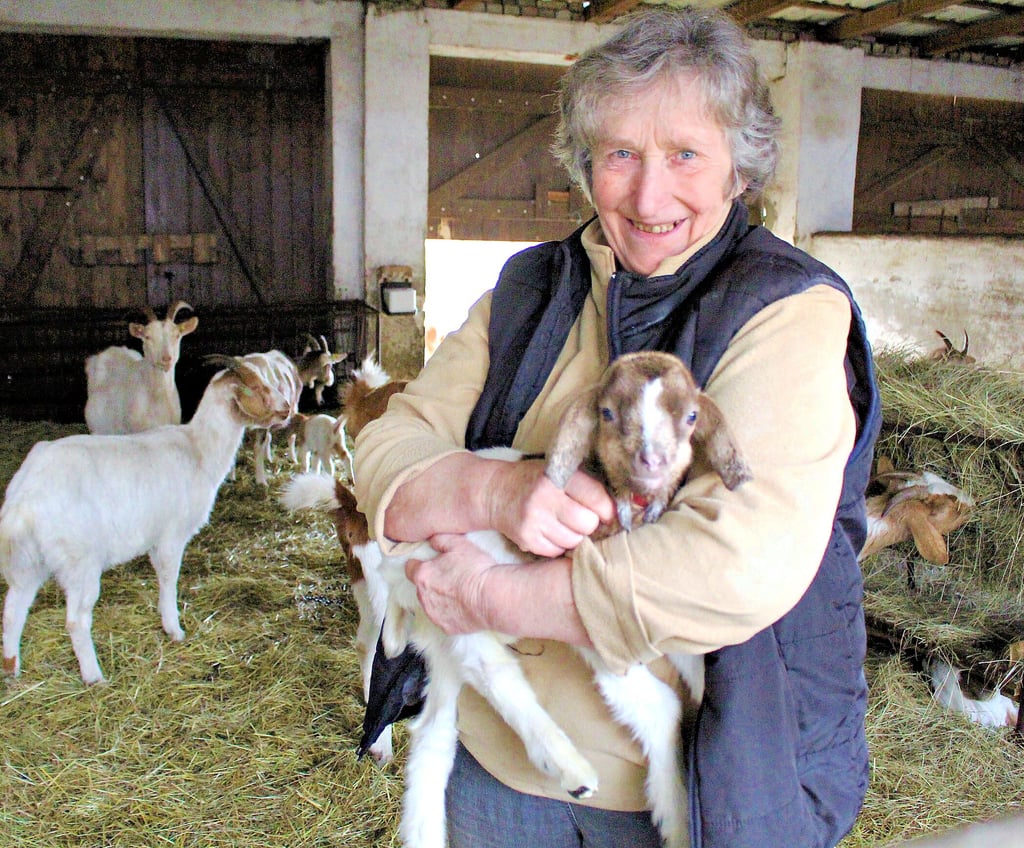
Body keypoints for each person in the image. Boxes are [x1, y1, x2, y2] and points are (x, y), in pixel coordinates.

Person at [353, 7, 881, 848]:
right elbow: (385, 446)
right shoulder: (528, 291)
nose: (648, 194)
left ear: (738, 169)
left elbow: (738, 561)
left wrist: (496, 595)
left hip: (694, 790)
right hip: (493, 768)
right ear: (584, 160)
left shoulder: (784, 310)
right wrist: (494, 489)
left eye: (685, 155)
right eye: (621, 154)